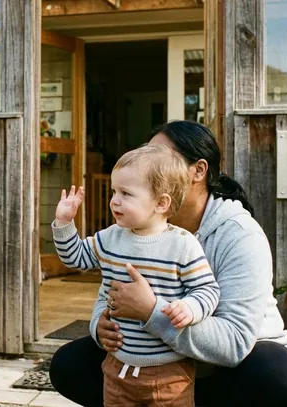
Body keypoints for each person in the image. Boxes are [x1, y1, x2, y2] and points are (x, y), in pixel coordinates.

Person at [49, 120, 287, 407]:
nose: (148, 166)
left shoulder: (239, 235)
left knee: (274, 372)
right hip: (156, 363)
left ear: (198, 171)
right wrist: (100, 324)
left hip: (231, 368)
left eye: (160, 158)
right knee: (69, 363)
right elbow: (111, 286)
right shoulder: (133, 229)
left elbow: (234, 343)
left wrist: (151, 311)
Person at [52, 144, 220, 406]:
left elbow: (208, 290)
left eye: (126, 193)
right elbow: (76, 258)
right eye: (114, 192)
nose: (114, 200)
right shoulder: (110, 238)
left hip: (170, 374)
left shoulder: (183, 245)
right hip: (118, 369)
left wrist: (190, 307)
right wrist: (64, 223)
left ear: (161, 203)